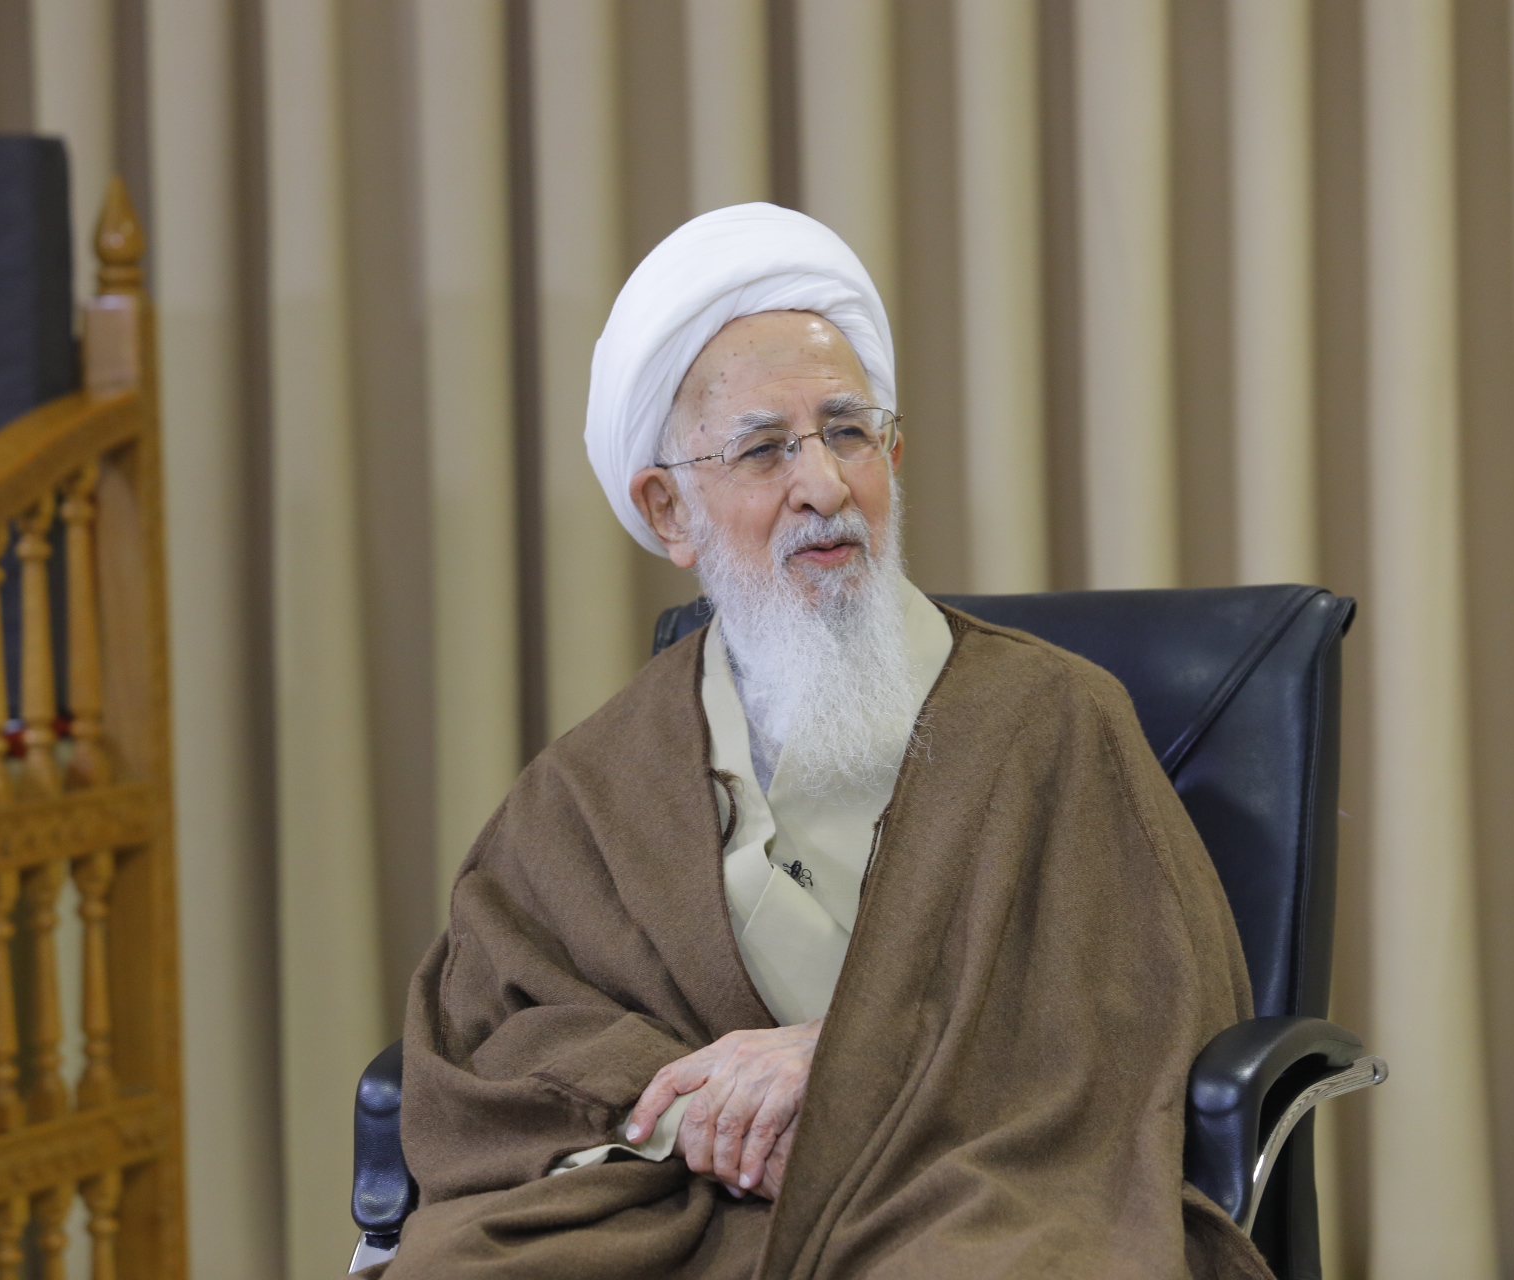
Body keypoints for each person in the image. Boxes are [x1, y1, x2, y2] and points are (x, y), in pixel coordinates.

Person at [365, 204, 1271, 1278]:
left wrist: (847, 1062)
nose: (826, 486)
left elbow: (1146, 1014)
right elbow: (498, 1037)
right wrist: (692, 1103)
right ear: (669, 510)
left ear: (893, 454)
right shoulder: (591, 787)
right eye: (763, 450)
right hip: (691, 1200)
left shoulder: (1054, 716)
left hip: (961, 1186)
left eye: (849, 432)